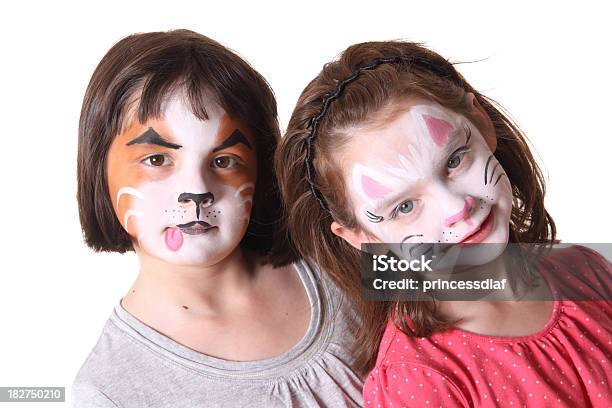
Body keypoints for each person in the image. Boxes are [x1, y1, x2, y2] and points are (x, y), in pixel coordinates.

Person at [276, 40, 611, 406]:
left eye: (454, 160)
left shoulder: (586, 270)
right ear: (361, 236)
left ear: (480, 123)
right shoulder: (417, 381)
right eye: (404, 207)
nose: (457, 208)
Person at [73, 29, 363, 407]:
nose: (196, 190)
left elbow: (464, 275)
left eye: (223, 161)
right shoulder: (110, 390)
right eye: (157, 159)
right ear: (98, 167)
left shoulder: (337, 248)